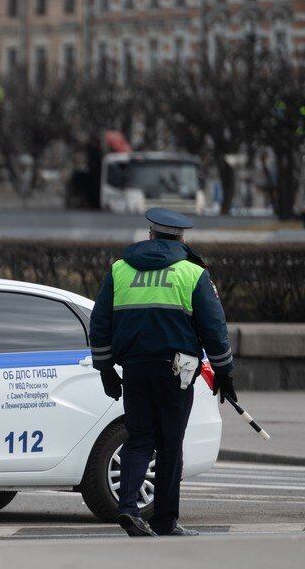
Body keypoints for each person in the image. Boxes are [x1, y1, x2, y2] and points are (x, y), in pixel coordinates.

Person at [90, 208, 237, 538]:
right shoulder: (192, 273)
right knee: (170, 443)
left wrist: (105, 369)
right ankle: (165, 520)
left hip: (135, 369)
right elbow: (213, 327)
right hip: (177, 371)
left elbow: (99, 323)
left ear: (151, 235)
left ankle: (128, 507)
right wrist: (224, 371)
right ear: (181, 239)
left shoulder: (120, 270)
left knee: (139, 438)